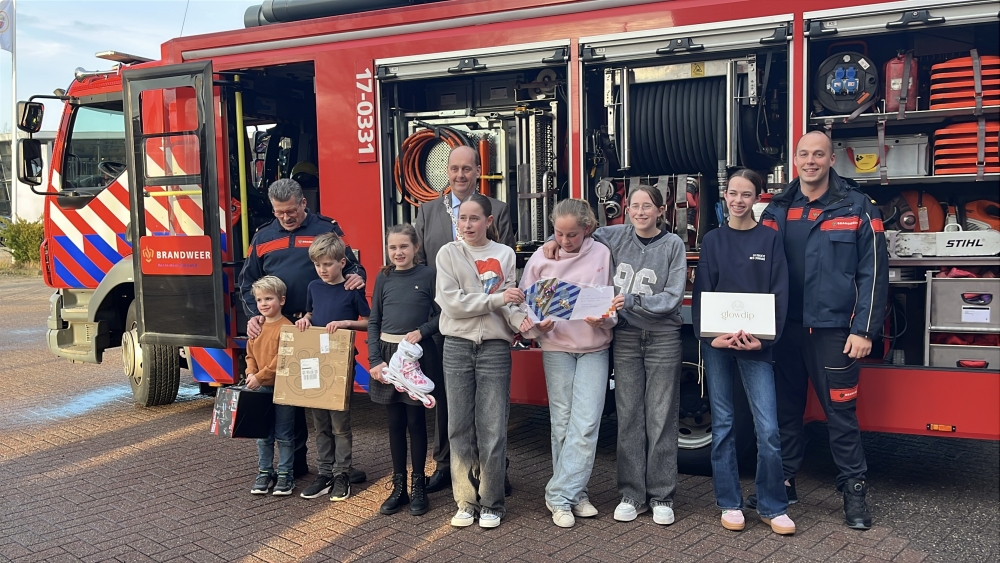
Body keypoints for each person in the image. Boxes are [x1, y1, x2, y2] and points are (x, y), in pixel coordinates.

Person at [759, 131, 889, 530]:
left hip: (836, 333)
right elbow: (752, 263)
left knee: (841, 415)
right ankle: (783, 484)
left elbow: (874, 273)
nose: (810, 161)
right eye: (803, 154)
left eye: (819, 154)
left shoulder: (858, 207)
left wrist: (864, 330)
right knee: (785, 414)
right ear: (794, 159)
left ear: (833, 159)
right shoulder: (777, 208)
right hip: (784, 331)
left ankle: (853, 491)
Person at [542, 185, 686, 525]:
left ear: (661, 210)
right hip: (625, 338)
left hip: (663, 337)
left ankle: (662, 496)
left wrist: (634, 301)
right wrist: (552, 239)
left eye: (647, 206)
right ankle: (632, 495)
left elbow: (673, 296)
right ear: (626, 209)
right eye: (633, 206)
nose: (639, 212)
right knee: (629, 415)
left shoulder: (673, 245)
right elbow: (577, 229)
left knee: (662, 416)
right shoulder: (614, 236)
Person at [237, 177, 368, 482]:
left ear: (303, 203)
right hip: (281, 328)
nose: (286, 217)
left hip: (318, 328)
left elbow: (352, 265)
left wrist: (356, 277)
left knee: (323, 398)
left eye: (291, 211)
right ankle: (294, 465)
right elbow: (247, 283)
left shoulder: (326, 228)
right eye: (279, 212)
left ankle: (339, 468)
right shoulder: (263, 237)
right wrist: (254, 315)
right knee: (287, 396)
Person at [691, 169, 794, 535]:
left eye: (746, 194)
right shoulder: (714, 240)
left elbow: (779, 293)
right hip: (718, 345)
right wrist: (710, 337)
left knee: (767, 429)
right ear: (725, 195)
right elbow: (703, 293)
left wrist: (764, 340)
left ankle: (772, 506)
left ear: (757, 197)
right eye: (732, 193)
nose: (738, 200)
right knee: (723, 426)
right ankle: (729, 502)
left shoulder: (769, 240)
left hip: (756, 345)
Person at [413, 145, 515, 495]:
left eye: (467, 169)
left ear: (477, 171)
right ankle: (446, 466)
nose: (460, 175)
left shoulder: (498, 210)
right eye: (454, 169)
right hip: (445, 321)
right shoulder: (427, 213)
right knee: (447, 400)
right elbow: (421, 267)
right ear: (448, 172)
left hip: (488, 325)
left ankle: (494, 473)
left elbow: (505, 269)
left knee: (491, 409)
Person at [519, 199, 616, 528]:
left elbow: (612, 301)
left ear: (587, 228)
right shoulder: (542, 256)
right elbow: (526, 301)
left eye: (571, 234)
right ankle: (576, 493)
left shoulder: (602, 253)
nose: (564, 241)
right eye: (558, 234)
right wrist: (537, 325)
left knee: (587, 422)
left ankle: (559, 495)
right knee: (562, 421)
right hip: (556, 346)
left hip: (594, 346)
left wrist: (603, 320)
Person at [435, 193, 529, 529]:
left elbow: (510, 302)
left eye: (475, 218)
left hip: (494, 348)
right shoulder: (448, 253)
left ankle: (492, 503)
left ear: (489, 221)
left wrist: (524, 324)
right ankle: (465, 501)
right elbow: (452, 303)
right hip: (457, 345)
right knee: (458, 426)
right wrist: (499, 298)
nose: (467, 225)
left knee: (492, 427)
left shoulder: (504, 254)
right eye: (462, 218)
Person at [367, 224, 441, 516]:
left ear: (416, 247)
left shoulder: (428, 275)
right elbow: (374, 321)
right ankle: (399, 487)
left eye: (404, 247)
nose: (398, 252)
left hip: (416, 357)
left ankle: (419, 484)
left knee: (416, 422)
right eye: (392, 247)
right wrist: (374, 360)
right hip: (387, 356)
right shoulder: (383, 278)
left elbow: (442, 313)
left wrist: (422, 331)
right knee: (394, 423)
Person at [294, 233, 371, 502]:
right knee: (320, 421)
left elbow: (370, 321)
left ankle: (342, 473)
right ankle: (324, 472)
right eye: (318, 265)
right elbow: (311, 313)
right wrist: (304, 320)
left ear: (342, 262)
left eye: (327, 264)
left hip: (341, 360)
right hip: (316, 360)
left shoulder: (352, 290)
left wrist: (347, 324)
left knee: (340, 422)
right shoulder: (314, 286)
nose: (322, 270)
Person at [244, 276, 298, 496]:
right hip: (260, 388)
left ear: (282, 300)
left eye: (269, 298)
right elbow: (250, 354)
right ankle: (265, 472)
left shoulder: (287, 327)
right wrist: (250, 372)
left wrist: (260, 376)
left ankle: (285, 475)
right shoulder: (257, 326)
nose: (264, 304)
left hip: (282, 388)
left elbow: (283, 358)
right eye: (259, 300)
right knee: (263, 435)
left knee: (285, 434)